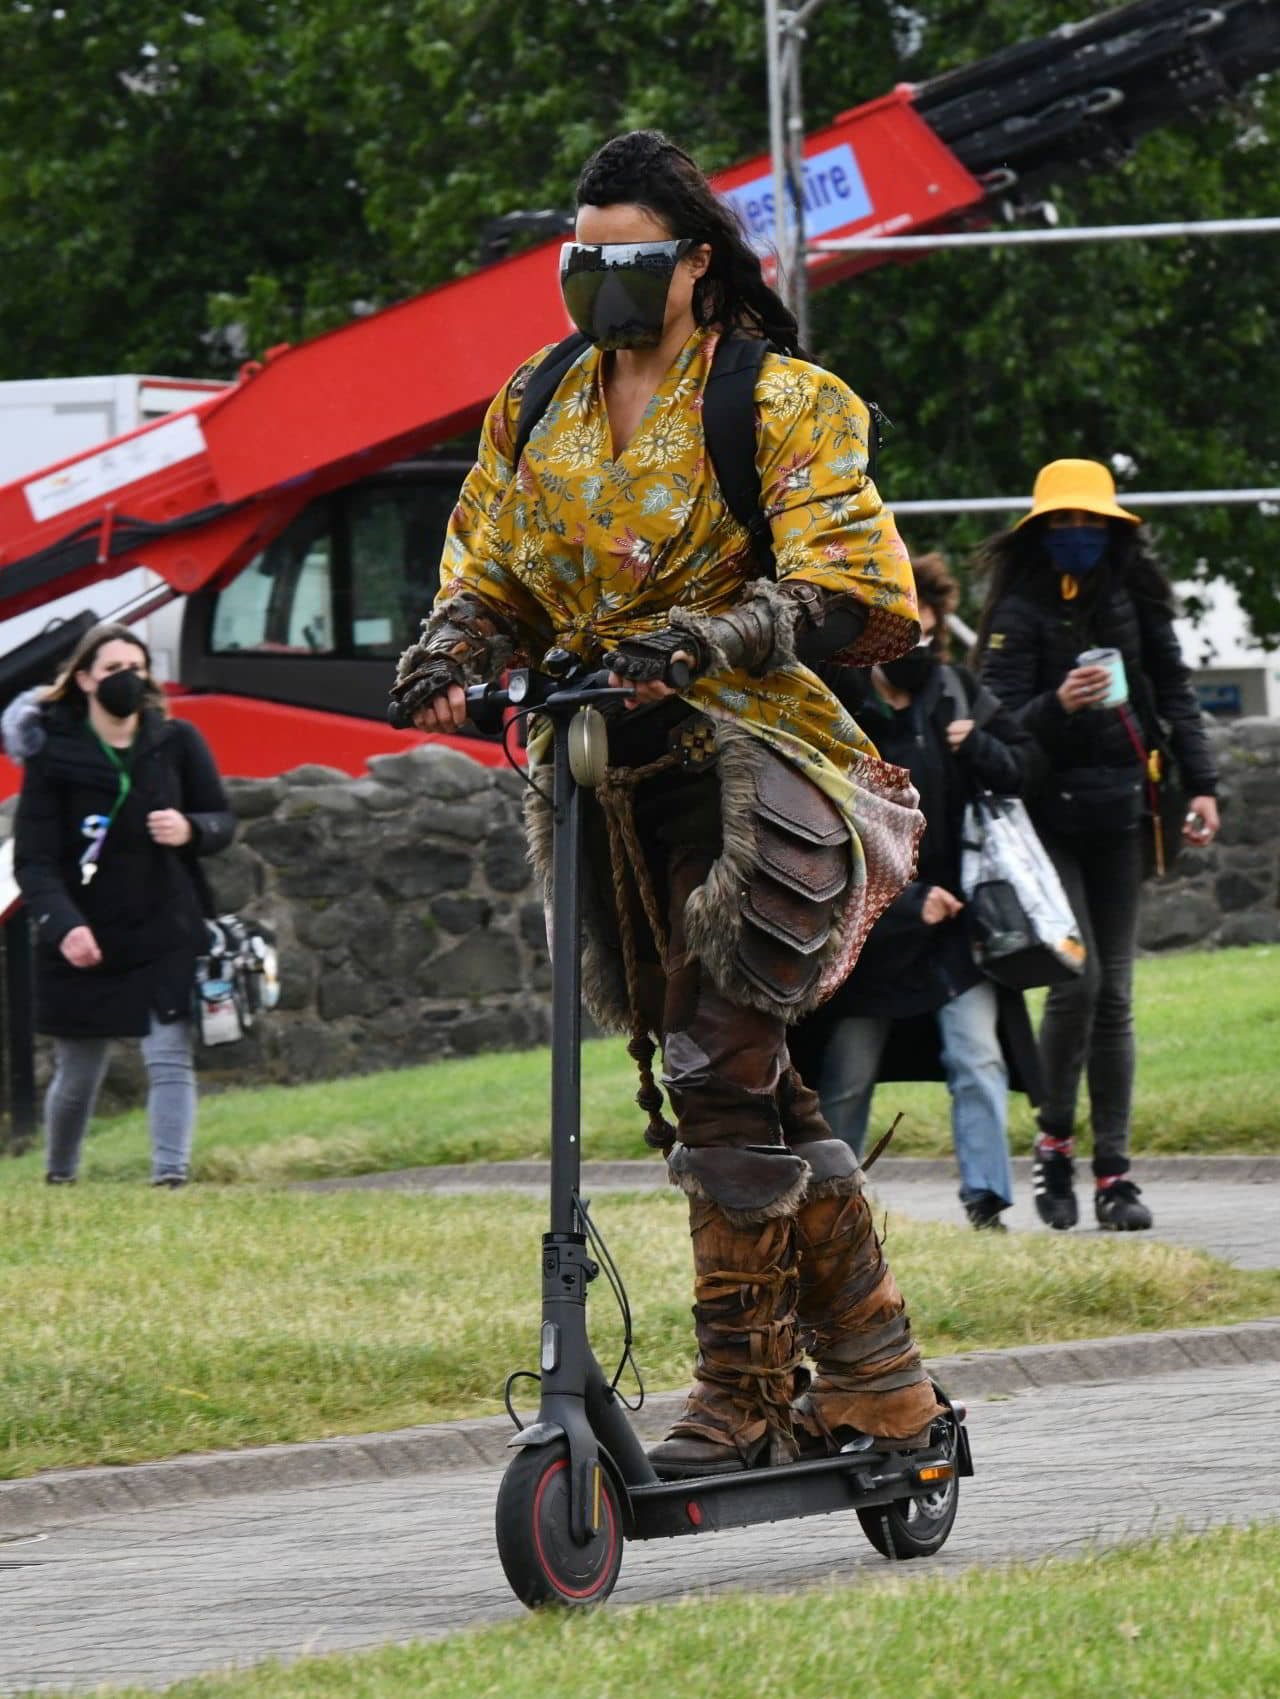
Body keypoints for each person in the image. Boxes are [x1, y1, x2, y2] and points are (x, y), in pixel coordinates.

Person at [390, 129, 942, 1478]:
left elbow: (854, 586)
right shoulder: (538, 396)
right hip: (609, 771)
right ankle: (880, 1377)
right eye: (581, 260)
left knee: (714, 1062)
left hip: (753, 757)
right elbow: (495, 557)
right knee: (742, 1076)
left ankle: (745, 1391)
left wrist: (709, 634)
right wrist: (459, 644)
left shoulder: (781, 399)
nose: (599, 284)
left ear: (694, 262)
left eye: (626, 258)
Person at [974, 459, 1219, 1232]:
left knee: (1115, 995)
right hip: (1047, 819)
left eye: (1090, 522)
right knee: (1076, 981)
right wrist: (1058, 701)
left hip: (1125, 814)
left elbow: (1175, 692)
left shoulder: (1138, 601)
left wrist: (1203, 785)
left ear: (1111, 530)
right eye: (1063, 522)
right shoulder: (1017, 610)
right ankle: (1053, 1144)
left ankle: (1114, 1172)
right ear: (1042, 530)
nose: (1077, 534)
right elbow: (998, 718)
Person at [790, 552, 1043, 1231]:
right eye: (903, 631)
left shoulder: (960, 695)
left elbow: (1024, 770)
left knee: (977, 1055)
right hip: (871, 931)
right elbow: (823, 826)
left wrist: (980, 748)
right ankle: (831, 1211)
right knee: (846, 1073)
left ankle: (987, 1201)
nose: (915, 645)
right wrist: (905, 901)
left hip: (960, 927)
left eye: (925, 630)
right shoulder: (841, 709)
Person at [6, 622, 234, 1186]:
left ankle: (170, 1178)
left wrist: (190, 829)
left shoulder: (177, 741)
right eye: (113, 669)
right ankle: (60, 1177)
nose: (127, 680)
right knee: (79, 1070)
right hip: (85, 931)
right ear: (84, 679)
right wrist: (63, 926)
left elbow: (222, 819)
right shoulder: (53, 753)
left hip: (164, 924)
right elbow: (34, 860)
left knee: (169, 1057)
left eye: (137, 668)